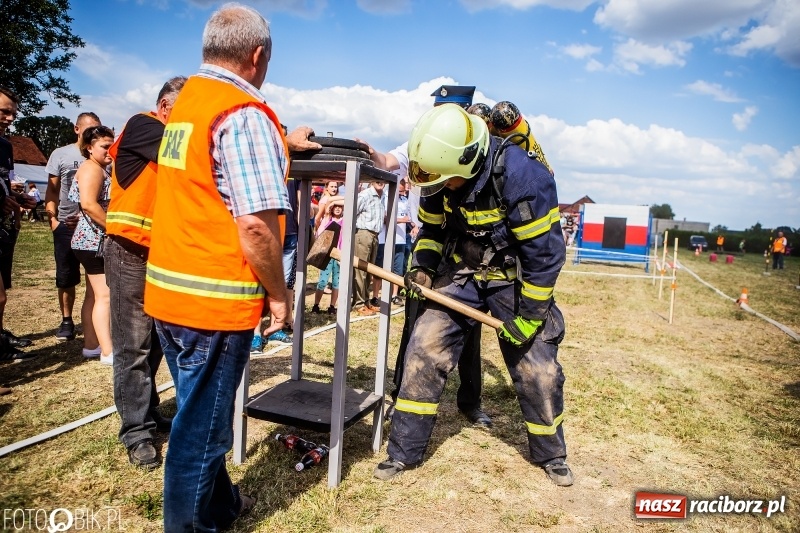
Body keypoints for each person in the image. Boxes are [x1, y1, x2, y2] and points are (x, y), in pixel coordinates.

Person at [142, 4, 318, 530]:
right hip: (213, 302)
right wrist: (280, 295)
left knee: (197, 411)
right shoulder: (242, 113)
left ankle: (221, 507)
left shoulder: (189, 104)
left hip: (170, 293)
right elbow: (257, 226)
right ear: (257, 55)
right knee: (203, 433)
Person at [373, 104, 572, 487]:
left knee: (537, 369)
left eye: (446, 180)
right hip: (462, 271)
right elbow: (432, 231)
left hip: (512, 277)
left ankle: (552, 454)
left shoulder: (523, 177)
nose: (438, 186)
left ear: (467, 162)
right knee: (423, 348)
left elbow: (545, 257)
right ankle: (403, 452)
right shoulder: (437, 173)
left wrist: (530, 317)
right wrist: (424, 266)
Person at [367, 85, 491, 428]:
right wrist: (370, 153)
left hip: (465, 247)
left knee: (470, 328)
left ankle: (470, 402)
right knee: (414, 320)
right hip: (428, 242)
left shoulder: (475, 145)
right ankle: (400, 395)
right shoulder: (423, 141)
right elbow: (388, 161)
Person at [105, 76, 187, 470]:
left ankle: (149, 413)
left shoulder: (165, 132)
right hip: (130, 252)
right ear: (166, 106)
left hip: (159, 255)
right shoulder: (145, 125)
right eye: (187, 110)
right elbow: (192, 152)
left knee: (154, 342)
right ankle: (136, 432)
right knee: (133, 346)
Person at [45, 112, 102, 345]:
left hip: (89, 225)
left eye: (96, 128)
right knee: (66, 275)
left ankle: (94, 324)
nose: (92, 133)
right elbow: (52, 189)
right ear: (76, 129)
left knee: (94, 277)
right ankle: (66, 320)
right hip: (65, 224)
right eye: (88, 129)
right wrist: (53, 220)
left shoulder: (101, 154)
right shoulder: (61, 154)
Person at [69, 126, 114, 363]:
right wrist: (114, 228)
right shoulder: (92, 169)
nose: (110, 151)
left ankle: (91, 345)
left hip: (88, 241)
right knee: (104, 296)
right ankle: (108, 351)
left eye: (112, 146)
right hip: (93, 241)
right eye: (105, 146)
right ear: (89, 147)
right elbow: (88, 204)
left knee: (93, 295)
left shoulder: (96, 168)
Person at [0, 86, 36, 362]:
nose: (10, 118)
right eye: (4, 111)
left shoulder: (5, 146)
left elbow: (5, 181)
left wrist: (17, 197)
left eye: (13, 113)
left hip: (4, 227)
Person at [352, 181, 385, 316]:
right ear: (371, 181)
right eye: (377, 180)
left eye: (382, 180)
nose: (380, 182)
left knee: (368, 270)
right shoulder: (364, 195)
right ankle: (359, 304)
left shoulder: (383, 196)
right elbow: (351, 213)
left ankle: (366, 301)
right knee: (360, 270)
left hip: (375, 235)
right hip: (363, 234)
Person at [310, 199, 344, 314]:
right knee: (323, 281)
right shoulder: (327, 220)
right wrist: (330, 206)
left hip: (338, 255)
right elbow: (320, 233)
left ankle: (332, 306)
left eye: (340, 206)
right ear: (331, 209)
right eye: (335, 206)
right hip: (327, 255)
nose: (338, 208)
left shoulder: (345, 221)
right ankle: (316, 305)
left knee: (336, 282)